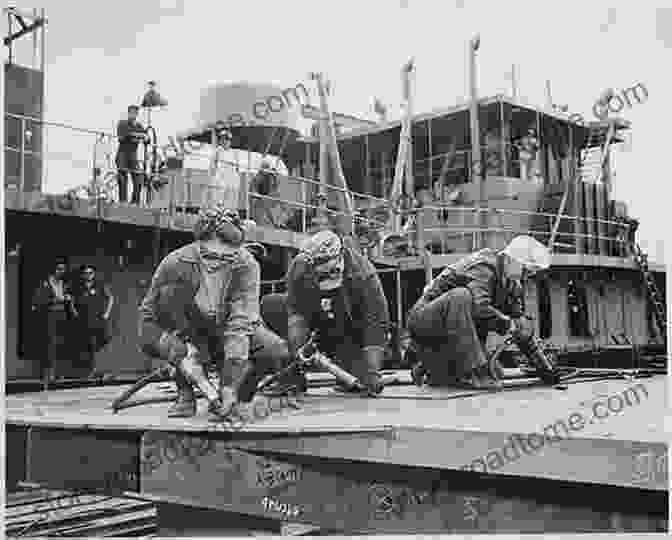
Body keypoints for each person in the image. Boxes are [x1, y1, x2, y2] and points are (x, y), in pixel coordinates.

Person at [138, 204, 291, 419]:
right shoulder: (174, 264)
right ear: (199, 244)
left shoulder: (247, 265)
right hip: (188, 331)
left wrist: (229, 385)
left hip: (226, 330)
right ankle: (185, 395)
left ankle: (238, 398)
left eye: (227, 258)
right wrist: (175, 349)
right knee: (170, 302)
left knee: (275, 351)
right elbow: (147, 320)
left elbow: (240, 325)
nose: (217, 265)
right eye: (210, 256)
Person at [407, 235, 551, 389]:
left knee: (496, 371)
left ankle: (430, 365)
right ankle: (474, 371)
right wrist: (507, 323)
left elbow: (520, 328)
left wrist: (544, 367)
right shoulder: (484, 266)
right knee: (461, 296)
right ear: (511, 259)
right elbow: (479, 307)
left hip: (449, 330)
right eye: (525, 270)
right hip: (424, 322)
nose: (526, 276)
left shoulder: (513, 286)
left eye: (530, 274)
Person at [283, 230, 391, 396]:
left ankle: (354, 367)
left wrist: (372, 371)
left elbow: (376, 324)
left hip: (347, 333)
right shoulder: (299, 268)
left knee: (365, 380)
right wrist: (298, 346)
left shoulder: (363, 275)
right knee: (272, 305)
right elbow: (295, 311)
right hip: (317, 320)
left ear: (340, 258)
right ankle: (291, 375)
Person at [31, 258, 76, 388]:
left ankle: (58, 373)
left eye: (63, 269)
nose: (61, 272)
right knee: (49, 344)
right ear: (54, 270)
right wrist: (54, 299)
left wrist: (67, 299)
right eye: (59, 269)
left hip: (62, 316)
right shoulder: (45, 283)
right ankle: (47, 374)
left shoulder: (64, 284)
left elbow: (68, 297)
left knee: (61, 343)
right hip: (49, 316)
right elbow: (38, 300)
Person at [72, 264, 114, 378]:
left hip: (98, 319)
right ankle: (91, 371)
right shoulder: (78, 287)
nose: (88, 275)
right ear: (82, 275)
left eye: (90, 273)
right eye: (86, 273)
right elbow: (72, 300)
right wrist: (74, 312)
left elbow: (110, 298)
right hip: (84, 320)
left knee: (102, 343)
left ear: (94, 274)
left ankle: (103, 370)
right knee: (87, 345)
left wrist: (106, 314)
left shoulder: (100, 285)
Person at [116, 104, 147, 205]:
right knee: (122, 178)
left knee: (138, 178)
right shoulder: (122, 123)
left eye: (135, 113)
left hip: (133, 155)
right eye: (131, 113)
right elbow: (122, 136)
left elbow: (146, 137)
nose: (133, 115)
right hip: (122, 154)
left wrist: (145, 137)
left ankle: (135, 201)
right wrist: (137, 135)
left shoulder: (139, 126)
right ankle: (123, 201)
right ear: (128, 113)